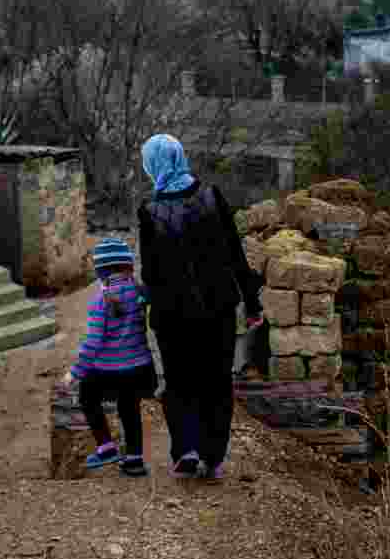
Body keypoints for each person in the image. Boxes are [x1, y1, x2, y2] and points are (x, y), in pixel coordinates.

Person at [137, 134, 265, 480]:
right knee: (216, 381)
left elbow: (150, 272)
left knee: (179, 381)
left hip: (172, 316)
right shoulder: (211, 196)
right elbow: (236, 255)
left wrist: (142, 310)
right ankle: (212, 454)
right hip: (218, 309)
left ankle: (186, 449)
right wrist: (252, 303)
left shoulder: (149, 210)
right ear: (180, 158)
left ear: (152, 165)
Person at [65, 237, 157, 477]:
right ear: (129, 265)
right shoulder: (140, 292)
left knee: (87, 395)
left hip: (107, 370)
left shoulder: (99, 302)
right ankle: (135, 461)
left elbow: (93, 343)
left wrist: (75, 371)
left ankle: (106, 447)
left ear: (99, 271)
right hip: (139, 368)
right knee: (129, 409)